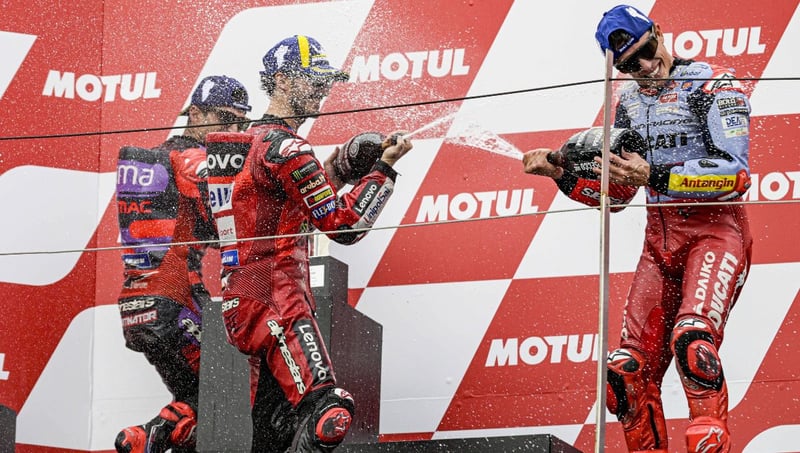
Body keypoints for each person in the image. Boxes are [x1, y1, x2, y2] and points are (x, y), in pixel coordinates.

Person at [522, 5, 752, 453]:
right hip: (658, 245)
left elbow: (736, 173)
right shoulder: (626, 102)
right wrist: (561, 175)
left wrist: (655, 175)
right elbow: (618, 197)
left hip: (716, 234)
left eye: (646, 52)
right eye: (628, 65)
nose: (644, 67)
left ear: (658, 32)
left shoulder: (713, 84)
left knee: (693, 342)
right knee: (624, 372)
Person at [213, 35, 412, 452]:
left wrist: (337, 172)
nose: (322, 92)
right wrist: (384, 170)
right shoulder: (288, 148)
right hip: (277, 299)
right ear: (283, 80)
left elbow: (278, 210)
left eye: (326, 82)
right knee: (331, 413)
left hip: (242, 299)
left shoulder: (247, 144)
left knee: (273, 438)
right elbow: (345, 227)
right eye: (314, 80)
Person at [114, 75, 252, 453]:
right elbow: (229, 203)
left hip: (137, 307)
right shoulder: (191, 158)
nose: (232, 131)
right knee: (230, 388)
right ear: (196, 113)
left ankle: (146, 439)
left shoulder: (156, 160)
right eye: (225, 118)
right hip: (176, 302)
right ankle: (148, 435)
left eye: (240, 123)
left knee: (198, 401)